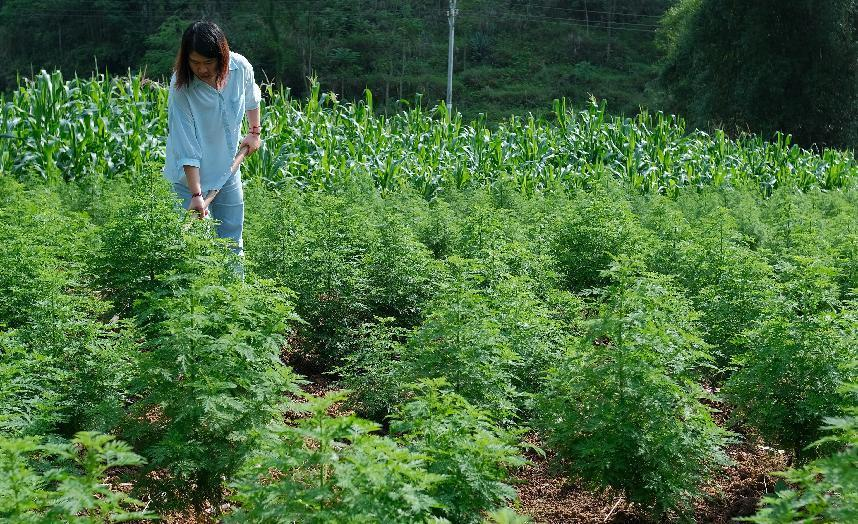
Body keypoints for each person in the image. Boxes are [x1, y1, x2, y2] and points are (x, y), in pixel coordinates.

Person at [163, 20, 262, 256]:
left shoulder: (240, 68)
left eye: (208, 62)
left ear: (222, 56)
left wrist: (254, 132)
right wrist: (196, 194)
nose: (202, 69)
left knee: (232, 240)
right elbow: (186, 144)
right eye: (195, 62)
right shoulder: (181, 86)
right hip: (187, 181)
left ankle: (234, 293)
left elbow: (252, 98)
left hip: (228, 171)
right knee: (192, 246)